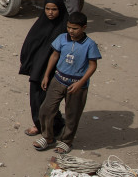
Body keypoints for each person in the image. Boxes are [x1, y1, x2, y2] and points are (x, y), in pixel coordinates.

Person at [34, 11, 101, 155]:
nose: (71, 31)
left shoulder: (89, 45)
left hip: (77, 85)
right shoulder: (62, 39)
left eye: (75, 28)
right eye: (69, 27)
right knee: (46, 109)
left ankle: (66, 141)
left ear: (84, 27)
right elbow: (55, 55)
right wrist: (46, 75)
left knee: (72, 114)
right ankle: (48, 136)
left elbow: (92, 65)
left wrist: (81, 82)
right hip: (58, 80)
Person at [19, 0, 69, 138]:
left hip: (55, 71)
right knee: (36, 99)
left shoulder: (65, 27)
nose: (50, 12)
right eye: (47, 9)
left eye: (54, 9)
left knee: (49, 101)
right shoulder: (41, 23)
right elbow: (30, 43)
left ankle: (54, 126)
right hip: (37, 69)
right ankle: (39, 124)